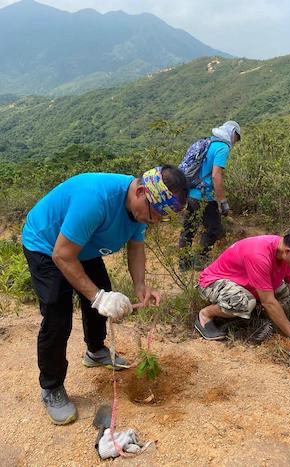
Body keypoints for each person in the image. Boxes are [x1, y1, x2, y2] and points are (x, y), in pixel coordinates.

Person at [22, 165, 188, 425]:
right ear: (141, 191)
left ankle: (96, 350)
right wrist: (99, 298)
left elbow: (136, 245)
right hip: (46, 244)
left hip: (83, 246)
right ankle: (51, 387)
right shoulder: (96, 199)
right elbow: (62, 255)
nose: (153, 221)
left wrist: (140, 286)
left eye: (160, 218)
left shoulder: (140, 210)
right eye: (153, 214)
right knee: (58, 316)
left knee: (100, 289)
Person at [195, 227, 290, 351]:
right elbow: (268, 302)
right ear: (288, 252)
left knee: (284, 291)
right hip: (212, 283)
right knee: (244, 303)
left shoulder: (285, 250)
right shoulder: (260, 255)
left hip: (246, 282)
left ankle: (255, 308)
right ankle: (206, 315)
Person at [178, 120, 241, 271]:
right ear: (233, 134)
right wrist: (223, 201)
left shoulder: (209, 142)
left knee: (189, 228)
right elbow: (216, 176)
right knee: (213, 228)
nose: (235, 143)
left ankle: (183, 262)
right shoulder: (222, 148)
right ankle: (201, 260)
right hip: (205, 197)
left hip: (192, 193)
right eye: (236, 139)